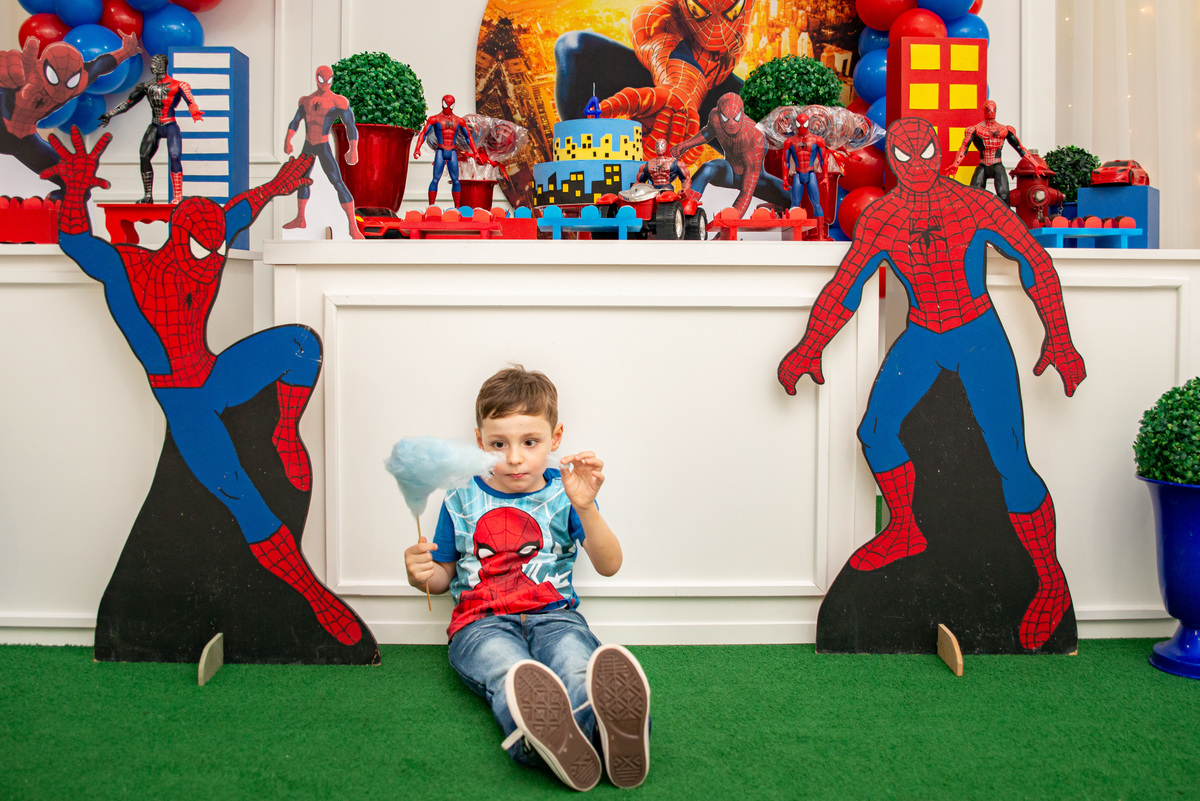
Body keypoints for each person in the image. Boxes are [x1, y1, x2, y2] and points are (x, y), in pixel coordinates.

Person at [777, 117, 1086, 651]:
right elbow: (846, 287)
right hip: (923, 333)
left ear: (941, 154)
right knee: (874, 432)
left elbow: (1035, 259)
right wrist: (810, 346)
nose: (915, 166)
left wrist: (1059, 337)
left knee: (1012, 461)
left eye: (924, 154)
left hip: (976, 331)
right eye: (903, 157)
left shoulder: (976, 204)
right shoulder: (882, 217)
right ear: (891, 162)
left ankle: (1049, 581)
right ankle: (904, 527)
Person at [45, 127, 363, 647]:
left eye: (215, 250)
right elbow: (77, 243)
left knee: (302, 344)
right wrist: (76, 193)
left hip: (213, 374)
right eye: (198, 249)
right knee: (244, 499)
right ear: (176, 237)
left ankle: (284, 431)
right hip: (183, 399)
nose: (207, 262)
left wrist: (281, 183)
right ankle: (316, 600)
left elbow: (242, 208)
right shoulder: (131, 269)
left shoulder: (211, 244)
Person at [403, 366, 651, 791]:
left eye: (530, 442)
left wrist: (587, 508)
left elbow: (610, 564)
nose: (514, 458)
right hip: (480, 625)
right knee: (513, 674)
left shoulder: (566, 491)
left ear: (555, 439)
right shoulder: (461, 496)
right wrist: (422, 574)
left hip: (555, 615)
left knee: (576, 667)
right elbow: (443, 577)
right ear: (479, 442)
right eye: (499, 444)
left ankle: (611, 736)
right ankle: (539, 742)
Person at [0, 34, 138, 195]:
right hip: (3, 127)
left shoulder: (79, 81)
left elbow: (100, 65)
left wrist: (126, 51)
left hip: (24, 140)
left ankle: (56, 204)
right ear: (43, 67)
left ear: (77, 75)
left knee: (77, 184)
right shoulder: (27, 75)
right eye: (54, 77)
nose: (60, 88)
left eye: (69, 81)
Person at [99, 53, 205, 204]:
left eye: (156, 63)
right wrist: (110, 114)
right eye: (152, 63)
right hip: (155, 124)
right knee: (144, 156)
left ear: (163, 65)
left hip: (170, 124)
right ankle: (148, 195)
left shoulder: (178, 85)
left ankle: (178, 196)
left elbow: (190, 100)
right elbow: (128, 103)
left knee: (174, 156)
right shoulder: (147, 86)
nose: (153, 66)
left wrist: (194, 111)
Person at [281, 65, 363, 239]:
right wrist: (288, 140)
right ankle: (300, 218)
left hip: (323, 144)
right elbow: (295, 121)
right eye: (321, 79)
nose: (325, 83)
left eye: (328, 79)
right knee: (301, 181)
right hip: (308, 144)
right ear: (316, 77)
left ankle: (352, 226)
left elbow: (350, 125)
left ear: (332, 79)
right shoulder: (306, 101)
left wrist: (353, 148)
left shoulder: (337, 101)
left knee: (337, 182)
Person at [944, 99, 1041, 205]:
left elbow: (1019, 147)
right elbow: (964, 147)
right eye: (988, 109)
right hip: (983, 164)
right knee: (974, 194)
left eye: (993, 109)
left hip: (997, 164)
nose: (991, 112)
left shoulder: (1004, 129)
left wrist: (1035, 163)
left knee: (1003, 195)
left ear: (996, 110)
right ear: (985, 110)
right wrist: (956, 164)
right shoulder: (975, 129)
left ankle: (1006, 219)